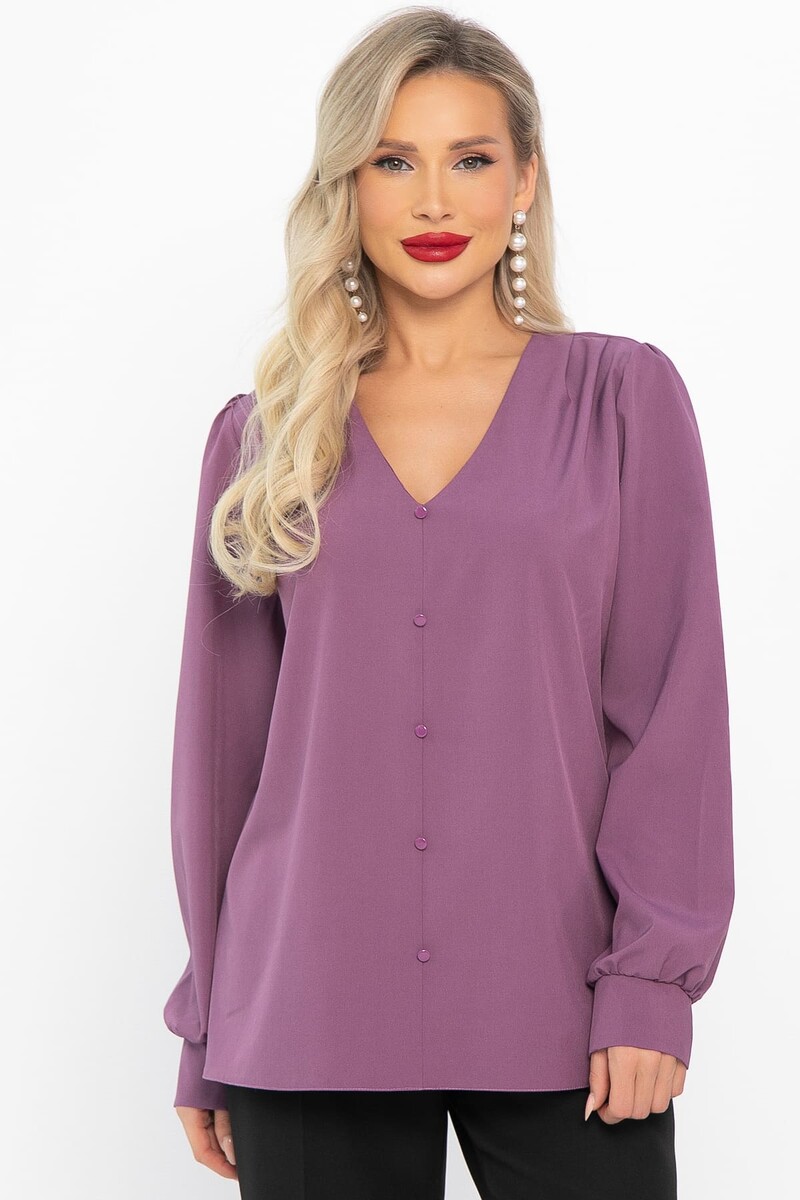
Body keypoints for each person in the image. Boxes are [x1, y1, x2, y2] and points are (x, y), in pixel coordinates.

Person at [162, 8, 735, 1198]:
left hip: (562, 1005)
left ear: (522, 180)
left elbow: (670, 715)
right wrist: (209, 1020)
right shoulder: (264, 438)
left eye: (469, 159)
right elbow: (222, 758)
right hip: (304, 1008)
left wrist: (650, 982)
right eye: (392, 161)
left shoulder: (620, 403)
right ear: (346, 186)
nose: (432, 201)